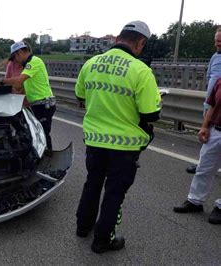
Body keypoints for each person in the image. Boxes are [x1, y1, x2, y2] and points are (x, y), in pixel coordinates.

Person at [74, 21, 161, 253]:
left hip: (93, 140)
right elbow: (151, 113)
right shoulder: (141, 71)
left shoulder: (90, 64)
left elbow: (80, 96)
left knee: (92, 183)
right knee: (114, 193)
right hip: (124, 146)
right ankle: (103, 240)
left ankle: (83, 227)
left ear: (117, 39)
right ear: (141, 43)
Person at [173, 77, 221, 224]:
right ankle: (195, 201)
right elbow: (212, 106)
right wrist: (205, 126)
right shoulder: (220, 81)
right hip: (216, 130)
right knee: (203, 168)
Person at [0, 41, 56, 151]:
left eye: (15, 57)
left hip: (43, 105)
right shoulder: (28, 64)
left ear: (20, 52)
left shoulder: (34, 61)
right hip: (36, 105)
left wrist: (1, 82)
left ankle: (48, 161)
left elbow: (19, 81)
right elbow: (21, 84)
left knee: (43, 136)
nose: (16, 60)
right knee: (35, 135)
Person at [186, 27, 221, 174]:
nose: (217, 44)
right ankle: (203, 163)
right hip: (210, 103)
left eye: (220, 41)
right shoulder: (214, 57)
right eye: (216, 41)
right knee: (206, 134)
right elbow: (209, 78)